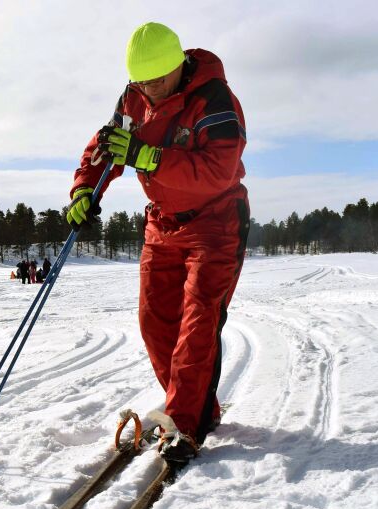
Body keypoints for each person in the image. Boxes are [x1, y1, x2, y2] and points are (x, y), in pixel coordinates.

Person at [66, 22, 250, 463]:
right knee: (154, 321)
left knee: (197, 322)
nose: (148, 89)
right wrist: (83, 191)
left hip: (215, 222)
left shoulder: (215, 100)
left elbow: (217, 171)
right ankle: (192, 406)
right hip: (162, 224)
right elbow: (106, 147)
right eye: (140, 81)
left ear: (179, 67)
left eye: (156, 80)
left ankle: (185, 421)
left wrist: (148, 156)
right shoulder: (133, 98)